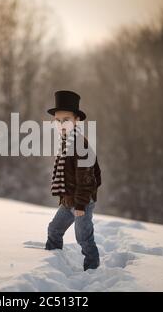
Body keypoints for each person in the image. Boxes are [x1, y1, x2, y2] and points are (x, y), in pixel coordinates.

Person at [45, 90, 102, 271]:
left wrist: (80, 205)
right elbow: (66, 175)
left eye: (66, 120)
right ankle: (52, 262)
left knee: (83, 237)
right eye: (58, 120)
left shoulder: (79, 143)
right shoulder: (66, 141)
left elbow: (87, 178)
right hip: (69, 200)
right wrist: (65, 197)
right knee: (54, 229)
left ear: (76, 120)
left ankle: (92, 268)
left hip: (81, 202)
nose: (62, 124)